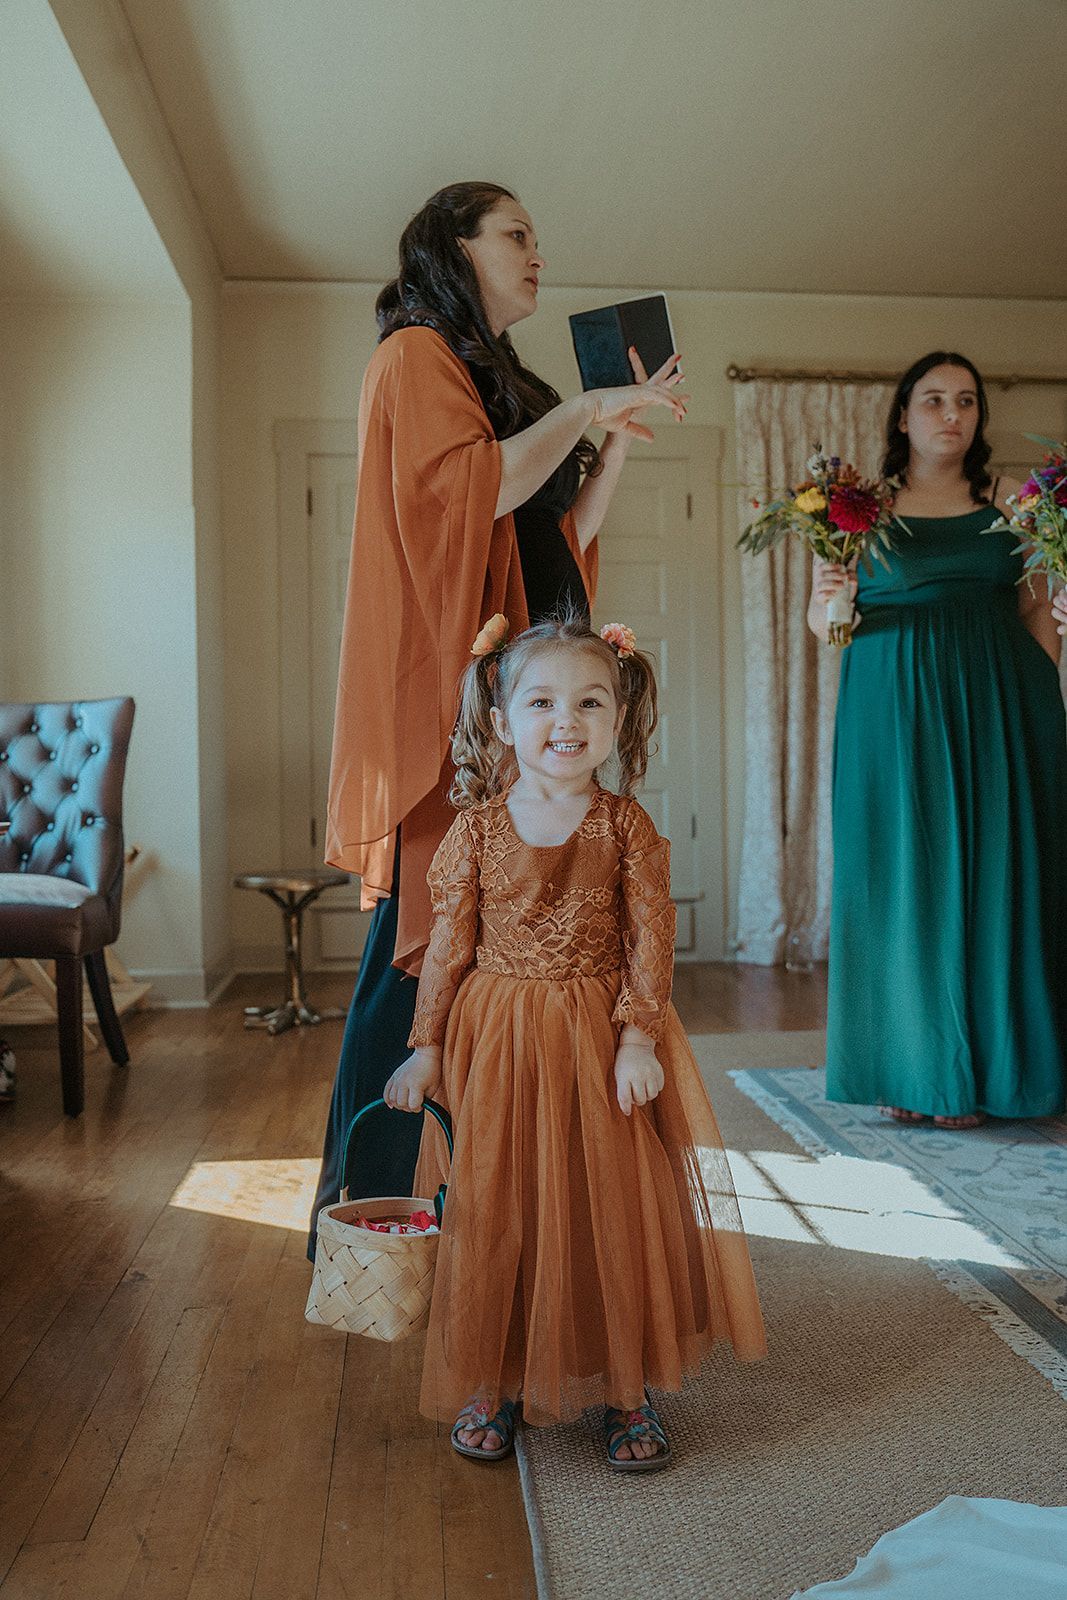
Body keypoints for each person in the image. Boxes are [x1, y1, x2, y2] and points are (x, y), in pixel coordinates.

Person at [308, 184, 685, 1256]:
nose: (536, 253)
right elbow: (467, 494)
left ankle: (496, 1211)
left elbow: (551, 532)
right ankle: (373, 1221)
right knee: (422, 952)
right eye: (515, 234)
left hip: (525, 698)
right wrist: (584, 408)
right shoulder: (414, 354)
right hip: (463, 709)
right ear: (453, 247)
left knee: (498, 952)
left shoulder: (496, 375)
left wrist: (613, 437)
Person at [383, 615, 766, 1470]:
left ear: (619, 718)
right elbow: (446, 948)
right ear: (500, 720)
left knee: (610, 1205)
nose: (566, 720)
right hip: (495, 1037)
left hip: (600, 1036)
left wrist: (638, 1040)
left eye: (590, 702)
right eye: (542, 702)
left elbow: (650, 938)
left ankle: (624, 1387)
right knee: (495, 1200)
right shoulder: (476, 830)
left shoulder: (626, 826)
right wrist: (426, 1047)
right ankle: (495, 1374)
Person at [813, 352, 1067, 1127]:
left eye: (964, 400)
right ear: (903, 415)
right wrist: (831, 601)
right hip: (888, 705)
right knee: (900, 874)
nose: (950, 414)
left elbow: (1034, 611)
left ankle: (983, 1072)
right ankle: (909, 1067)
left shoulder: (1016, 503)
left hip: (998, 700)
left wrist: (1043, 685)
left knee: (993, 872)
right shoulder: (855, 508)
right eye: (932, 400)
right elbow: (826, 625)